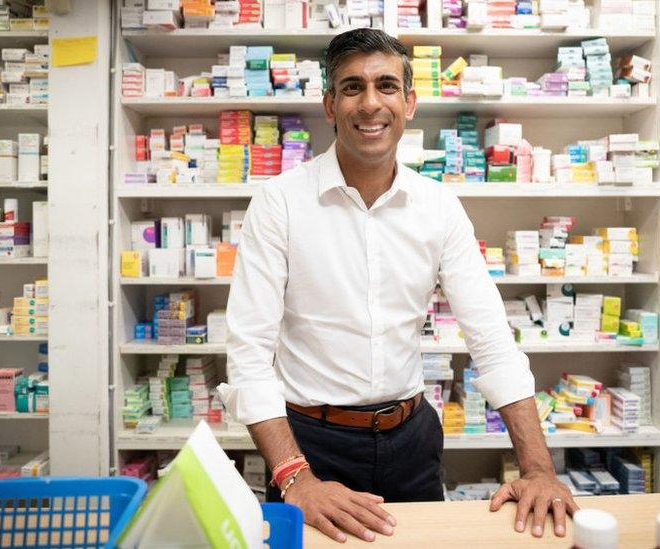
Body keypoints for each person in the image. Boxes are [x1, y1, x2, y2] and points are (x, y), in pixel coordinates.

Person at [218, 27, 578, 544]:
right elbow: (249, 354)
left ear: (409, 103)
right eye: (351, 88)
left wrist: (538, 467)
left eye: (386, 86)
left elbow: (493, 341)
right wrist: (295, 477)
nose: (370, 104)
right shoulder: (280, 202)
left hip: (412, 439)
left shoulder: (438, 206)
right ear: (329, 105)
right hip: (310, 446)